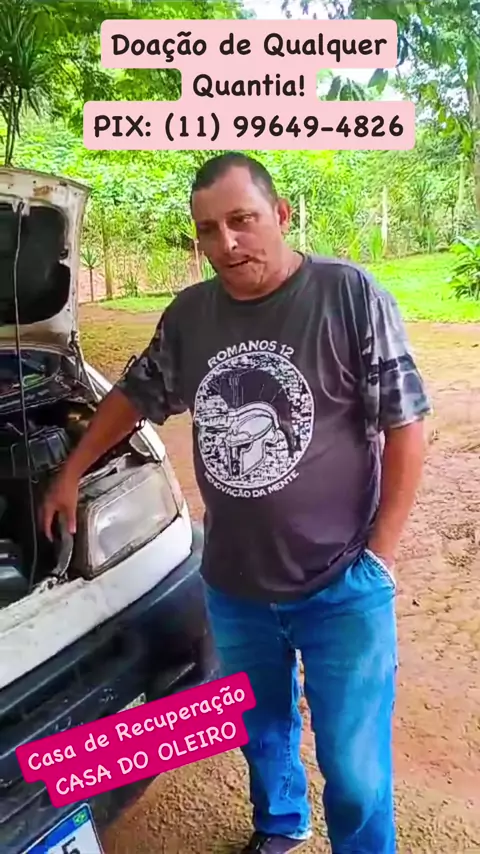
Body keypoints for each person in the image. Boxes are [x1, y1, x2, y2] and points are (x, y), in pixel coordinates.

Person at [41, 152, 431, 854]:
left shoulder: (348, 295)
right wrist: (72, 469)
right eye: (208, 230)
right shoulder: (192, 315)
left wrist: (380, 556)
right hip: (235, 587)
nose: (226, 243)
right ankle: (281, 823)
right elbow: (136, 394)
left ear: (280, 214)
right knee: (260, 730)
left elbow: (406, 423)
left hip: (343, 586)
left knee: (355, 771)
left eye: (242, 220)